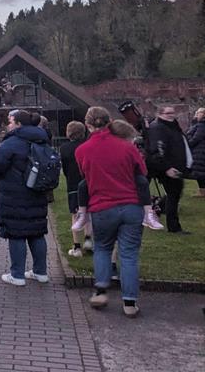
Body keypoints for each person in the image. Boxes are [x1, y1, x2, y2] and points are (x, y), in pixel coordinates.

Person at [75, 106, 147, 317]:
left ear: (88, 125)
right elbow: (142, 172)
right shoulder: (127, 147)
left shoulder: (82, 150)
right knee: (129, 254)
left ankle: (100, 291)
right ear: (109, 122)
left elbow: (85, 177)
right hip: (131, 205)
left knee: (102, 248)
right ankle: (130, 302)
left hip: (102, 207)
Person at [0, 109, 50, 286]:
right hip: (37, 191)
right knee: (37, 232)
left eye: (10, 121)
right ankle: (41, 271)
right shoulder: (42, 140)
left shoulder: (11, 143)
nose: (8, 125)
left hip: (14, 194)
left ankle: (17, 274)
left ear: (18, 124)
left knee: (16, 233)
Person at [73, 120, 164, 231]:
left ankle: (148, 212)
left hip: (110, 189)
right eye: (130, 139)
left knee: (83, 185)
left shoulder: (120, 147)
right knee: (142, 181)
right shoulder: (121, 147)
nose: (132, 142)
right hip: (116, 184)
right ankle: (82, 213)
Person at [145, 105, 193, 234]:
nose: (172, 115)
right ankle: (174, 227)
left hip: (175, 166)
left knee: (175, 193)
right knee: (174, 194)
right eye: (168, 113)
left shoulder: (172, 126)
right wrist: (167, 168)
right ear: (160, 114)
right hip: (167, 167)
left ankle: (159, 211)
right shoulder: (158, 128)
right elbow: (157, 150)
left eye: (173, 112)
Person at [60, 121, 91, 257]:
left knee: (75, 214)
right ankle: (89, 239)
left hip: (73, 183)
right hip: (87, 182)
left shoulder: (64, 148)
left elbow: (65, 168)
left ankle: (76, 246)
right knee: (88, 212)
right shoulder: (87, 146)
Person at [186, 107, 205, 198]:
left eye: (199, 113)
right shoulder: (197, 124)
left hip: (200, 151)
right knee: (199, 172)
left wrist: (187, 145)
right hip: (198, 151)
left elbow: (197, 138)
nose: (197, 114)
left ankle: (202, 192)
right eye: (196, 112)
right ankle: (202, 191)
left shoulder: (202, 125)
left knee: (200, 172)